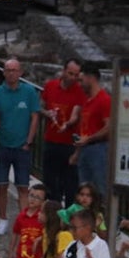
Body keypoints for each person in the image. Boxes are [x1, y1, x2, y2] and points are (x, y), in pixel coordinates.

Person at [0, 58, 41, 235]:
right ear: (4, 72)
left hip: (22, 146)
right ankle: (3, 219)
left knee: (23, 186)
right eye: (8, 70)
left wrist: (29, 141)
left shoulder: (29, 92)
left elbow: (35, 117)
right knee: (1, 184)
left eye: (14, 70)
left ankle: (24, 220)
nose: (11, 73)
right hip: (2, 145)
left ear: (20, 72)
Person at [41, 60, 85, 205]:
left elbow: (75, 114)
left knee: (70, 184)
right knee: (50, 182)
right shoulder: (50, 86)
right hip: (51, 140)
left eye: (76, 75)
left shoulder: (80, 90)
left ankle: (68, 218)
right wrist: (47, 113)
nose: (73, 77)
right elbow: (40, 106)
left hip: (69, 144)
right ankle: (53, 214)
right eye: (70, 73)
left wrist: (68, 123)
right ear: (64, 71)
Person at [73, 63, 112, 203]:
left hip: (98, 149)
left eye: (81, 80)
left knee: (99, 189)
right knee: (84, 190)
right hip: (85, 149)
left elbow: (109, 127)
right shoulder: (87, 100)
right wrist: (77, 152)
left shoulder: (104, 100)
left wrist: (89, 139)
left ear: (90, 78)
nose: (80, 84)